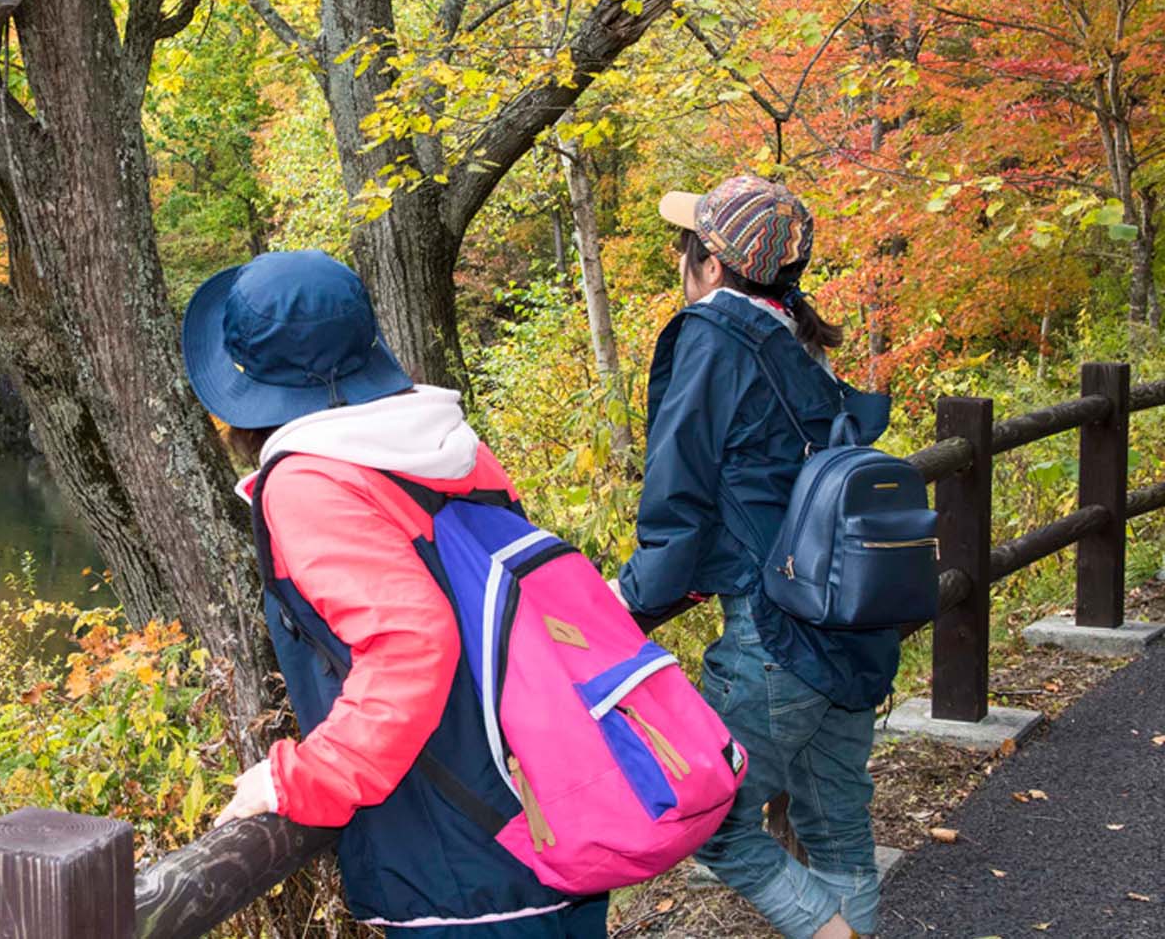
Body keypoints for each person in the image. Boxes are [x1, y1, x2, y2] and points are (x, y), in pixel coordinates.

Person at [182, 249, 608, 938]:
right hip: (540, 818)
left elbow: (414, 642)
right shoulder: (442, 446)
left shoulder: (310, 482)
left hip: (458, 865)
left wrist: (303, 777)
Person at [615, 176, 897, 939]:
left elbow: (678, 501)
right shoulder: (800, 343)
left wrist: (621, 608)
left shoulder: (711, 338)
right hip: (848, 625)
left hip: (774, 636)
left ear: (708, 262)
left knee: (702, 815)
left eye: (685, 245)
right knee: (839, 827)